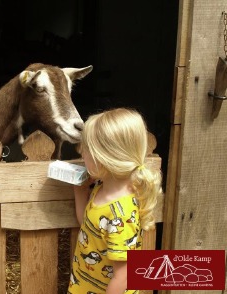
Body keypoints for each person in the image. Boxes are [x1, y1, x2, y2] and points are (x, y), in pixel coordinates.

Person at [68, 108, 162, 294]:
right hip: (86, 285)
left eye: (86, 149)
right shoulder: (101, 190)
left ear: (104, 159)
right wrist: (80, 193)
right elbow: (89, 229)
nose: (81, 154)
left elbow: (124, 276)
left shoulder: (121, 214)